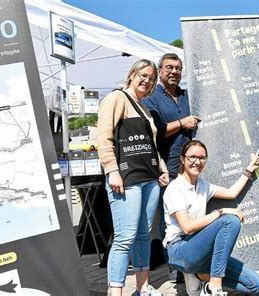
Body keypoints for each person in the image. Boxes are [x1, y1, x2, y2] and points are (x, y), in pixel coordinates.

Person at [97, 59, 169, 296]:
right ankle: (115, 291)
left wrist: (162, 168)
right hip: (126, 179)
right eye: (143, 75)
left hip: (150, 179)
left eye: (151, 79)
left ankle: (142, 288)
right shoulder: (116, 98)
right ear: (132, 74)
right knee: (124, 237)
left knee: (143, 236)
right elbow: (104, 137)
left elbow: (152, 146)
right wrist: (112, 170)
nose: (147, 81)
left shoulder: (146, 109)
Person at [163, 140, 259, 296]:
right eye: (192, 157)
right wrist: (221, 212)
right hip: (179, 250)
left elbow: (231, 193)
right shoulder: (175, 188)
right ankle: (214, 287)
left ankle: (201, 277)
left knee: (256, 286)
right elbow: (187, 227)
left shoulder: (203, 186)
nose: (197, 162)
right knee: (230, 220)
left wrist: (249, 169)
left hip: (202, 251)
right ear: (182, 159)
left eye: (202, 158)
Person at [142, 53, 200, 283]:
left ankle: (194, 261)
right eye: (169, 68)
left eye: (178, 68)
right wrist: (181, 123)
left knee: (195, 211)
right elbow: (153, 131)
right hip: (168, 165)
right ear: (160, 70)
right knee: (170, 218)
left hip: (194, 165)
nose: (174, 72)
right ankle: (175, 266)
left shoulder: (188, 96)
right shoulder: (151, 98)